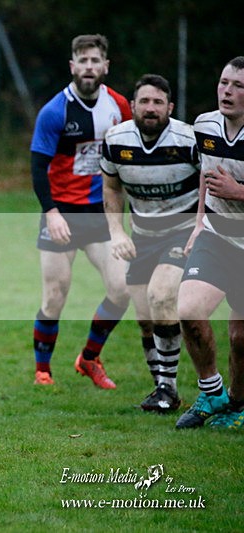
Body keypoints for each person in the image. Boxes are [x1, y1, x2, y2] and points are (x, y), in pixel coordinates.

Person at [30, 34, 132, 388]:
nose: (89, 68)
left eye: (95, 61)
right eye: (83, 61)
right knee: (55, 296)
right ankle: (43, 369)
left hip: (101, 214)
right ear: (73, 67)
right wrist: (52, 213)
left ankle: (89, 358)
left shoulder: (119, 107)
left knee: (122, 289)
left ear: (106, 66)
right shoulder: (55, 111)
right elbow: (37, 168)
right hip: (61, 213)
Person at [102, 74, 200, 412]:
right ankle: (160, 386)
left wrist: (204, 226)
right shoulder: (116, 140)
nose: (150, 108)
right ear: (132, 106)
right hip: (141, 236)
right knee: (144, 316)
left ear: (170, 107)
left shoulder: (188, 139)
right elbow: (111, 187)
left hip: (182, 233)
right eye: (144, 101)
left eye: (158, 102)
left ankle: (168, 390)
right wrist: (117, 232)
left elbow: (208, 184)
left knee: (161, 296)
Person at [175, 56, 244, 430]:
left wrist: (239, 191)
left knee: (240, 339)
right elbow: (206, 173)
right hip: (218, 235)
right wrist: (199, 221)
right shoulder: (204, 124)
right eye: (223, 82)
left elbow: (230, 185)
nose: (227, 91)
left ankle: (238, 404)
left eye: (238, 86)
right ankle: (212, 390)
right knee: (188, 310)